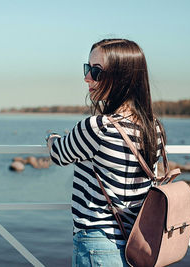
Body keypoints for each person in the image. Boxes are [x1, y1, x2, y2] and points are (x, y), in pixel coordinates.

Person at [45, 39, 165, 267]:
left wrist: (51, 138)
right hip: (139, 245)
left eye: (96, 72)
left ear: (123, 77)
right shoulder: (154, 127)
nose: (87, 77)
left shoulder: (99, 126)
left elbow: (59, 154)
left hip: (98, 246)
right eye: (86, 68)